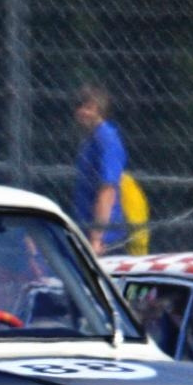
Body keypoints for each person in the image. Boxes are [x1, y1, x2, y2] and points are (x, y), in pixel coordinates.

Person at [71, 84, 130, 256]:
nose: (82, 112)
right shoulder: (89, 139)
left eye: (89, 107)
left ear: (100, 110)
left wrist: (96, 238)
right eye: (79, 106)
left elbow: (107, 190)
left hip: (105, 239)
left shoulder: (107, 139)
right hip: (85, 230)